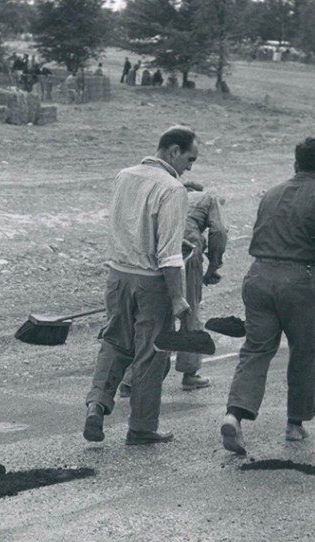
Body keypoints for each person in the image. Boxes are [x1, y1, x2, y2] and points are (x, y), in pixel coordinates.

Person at [220, 138, 315, 455]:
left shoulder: (272, 193)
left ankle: (234, 415)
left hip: (257, 276)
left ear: (295, 163)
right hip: (297, 282)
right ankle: (294, 424)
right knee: (302, 351)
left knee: (256, 350)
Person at [82, 126, 199, 446]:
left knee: (114, 342)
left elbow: (133, 218)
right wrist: (177, 299)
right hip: (152, 283)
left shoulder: (124, 175)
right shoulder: (174, 190)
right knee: (151, 354)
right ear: (173, 152)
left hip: (117, 275)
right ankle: (142, 427)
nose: (191, 166)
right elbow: (170, 255)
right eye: (190, 158)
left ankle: (97, 404)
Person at [119, 182, 229, 396]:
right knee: (189, 310)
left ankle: (131, 379)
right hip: (185, 253)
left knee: (154, 315)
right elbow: (220, 232)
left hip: (154, 253)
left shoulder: (164, 197)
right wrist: (214, 266)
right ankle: (190, 374)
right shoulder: (207, 198)